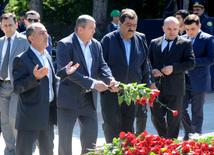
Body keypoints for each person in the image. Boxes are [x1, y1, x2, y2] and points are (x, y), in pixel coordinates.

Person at [12, 22, 79, 155]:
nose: (46, 35)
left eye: (46, 32)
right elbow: (17, 88)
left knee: (48, 151)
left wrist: (64, 72)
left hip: (47, 115)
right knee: (23, 152)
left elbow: (49, 80)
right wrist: (34, 78)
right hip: (29, 116)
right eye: (41, 33)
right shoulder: (21, 59)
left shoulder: (47, 56)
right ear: (31, 38)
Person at [56, 14, 116, 155]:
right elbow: (69, 73)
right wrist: (93, 83)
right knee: (65, 141)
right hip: (68, 100)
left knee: (91, 139)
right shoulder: (64, 44)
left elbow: (103, 66)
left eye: (94, 28)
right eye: (91, 28)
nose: (94, 31)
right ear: (80, 29)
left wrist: (110, 79)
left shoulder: (96, 44)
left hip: (89, 100)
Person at [101, 8, 151, 143]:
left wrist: (146, 88)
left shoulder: (140, 39)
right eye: (128, 25)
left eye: (134, 25)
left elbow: (145, 66)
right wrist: (108, 83)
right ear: (119, 24)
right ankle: (112, 149)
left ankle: (126, 150)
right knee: (110, 122)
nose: (132, 28)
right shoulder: (108, 39)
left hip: (132, 91)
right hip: (111, 91)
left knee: (128, 125)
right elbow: (100, 65)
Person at [149, 16, 195, 139]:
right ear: (163, 28)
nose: (172, 32)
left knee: (174, 119)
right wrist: (152, 70)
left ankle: (171, 143)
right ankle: (165, 139)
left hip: (176, 88)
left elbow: (191, 63)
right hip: (157, 88)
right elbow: (147, 62)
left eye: (175, 29)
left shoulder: (185, 43)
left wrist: (173, 68)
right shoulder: (154, 43)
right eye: (169, 29)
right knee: (155, 116)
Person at [0, 12, 30, 155]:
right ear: (1, 26)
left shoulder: (24, 41)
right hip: (1, 86)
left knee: (14, 118)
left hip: (17, 86)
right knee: (5, 121)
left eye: (10, 25)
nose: (8, 28)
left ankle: (21, 149)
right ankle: (10, 150)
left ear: (16, 25)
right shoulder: (0, 42)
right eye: (5, 26)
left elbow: (30, 63)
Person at [181, 14, 214, 140]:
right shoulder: (181, 39)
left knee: (197, 111)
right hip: (183, 80)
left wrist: (192, 62)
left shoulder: (208, 38)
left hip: (199, 80)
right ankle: (189, 132)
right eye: (187, 29)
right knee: (180, 108)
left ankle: (196, 135)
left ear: (199, 26)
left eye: (193, 29)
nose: (189, 32)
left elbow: (211, 59)